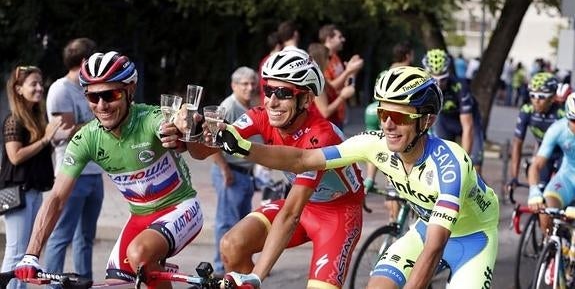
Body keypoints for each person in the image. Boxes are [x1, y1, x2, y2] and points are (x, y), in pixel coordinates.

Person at [217, 66, 499, 289]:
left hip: (473, 238)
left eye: (399, 116)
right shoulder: (373, 143)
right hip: (426, 228)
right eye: (383, 112)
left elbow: (435, 247)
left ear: (426, 121)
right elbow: (302, 159)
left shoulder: (450, 164)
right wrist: (244, 147)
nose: (387, 124)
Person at [13, 51, 212, 289]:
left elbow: (171, 123)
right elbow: (56, 198)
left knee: (139, 253)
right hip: (139, 218)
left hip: (181, 208)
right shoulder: (87, 138)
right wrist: (31, 255)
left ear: (130, 90)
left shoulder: (149, 119)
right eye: (93, 97)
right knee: (115, 285)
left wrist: (185, 126)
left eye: (111, 94)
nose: (102, 105)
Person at [171, 47, 364, 288]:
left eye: (283, 93)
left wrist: (257, 276)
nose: (272, 101)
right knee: (232, 245)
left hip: (337, 215)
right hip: (304, 208)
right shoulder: (260, 115)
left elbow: (291, 214)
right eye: (268, 90)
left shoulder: (321, 136)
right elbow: (202, 152)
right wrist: (191, 131)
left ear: (305, 99)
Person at [43, 38, 104, 281]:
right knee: (61, 235)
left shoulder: (87, 88)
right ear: (84, 62)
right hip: (72, 173)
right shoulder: (61, 89)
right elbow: (67, 131)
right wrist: (101, 120)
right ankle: (53, 284)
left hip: (94, 173)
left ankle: (83, 282)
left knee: (85, 237)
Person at [0, 66, 66, 289]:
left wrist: (57, 136)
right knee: (16, 251)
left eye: (40, 83)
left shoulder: (35, 119)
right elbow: (15, 156)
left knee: (28, 255)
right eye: (33, 84)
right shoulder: (13, 120)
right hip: (17, 193)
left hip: (35, 191)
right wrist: (46, 139)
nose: (39, 88)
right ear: (18, 89)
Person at [210, 66, 259, 276]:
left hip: (246, 174)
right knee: (227, 223)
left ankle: (239, 264)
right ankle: (222, 267)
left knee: (243, 224)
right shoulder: (228, 107)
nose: (249, 88)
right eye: (244, 84)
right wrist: (223, 169)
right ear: (234, 86)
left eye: (252, 84)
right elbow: (211, 142)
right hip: (230, 172)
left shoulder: (250, 106)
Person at [364, 41, 414, 220]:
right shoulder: (409, 73)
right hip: (401, 119)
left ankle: (393, 223)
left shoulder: (384, 73)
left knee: (378, 143)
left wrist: (370, 179)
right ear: (408, 56)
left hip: (376, 111)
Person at [422, 49, 485, 174]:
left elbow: (468, 127)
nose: (439, 84)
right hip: (445, 122)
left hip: (469, 123)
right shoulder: (423, 87)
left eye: (443, 79)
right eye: (434, 80)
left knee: (473, 167)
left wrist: (464, 164)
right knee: (441, 165)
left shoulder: (460, 87)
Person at [508, 72, 563, 192]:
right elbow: (517, 143)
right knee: (538, 193)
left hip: (564, 155)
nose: (536, 101)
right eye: (533, 95)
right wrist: (514, 177)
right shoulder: (527, 110)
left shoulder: (561, 113)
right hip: (544, 155)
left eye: (542, 97)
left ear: (553, 97)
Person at [528, 92, 575, 234]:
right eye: (573, 121)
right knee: (546, 211)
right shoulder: (557, 129)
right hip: (566, 178)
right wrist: (534, 191)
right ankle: (550, 249)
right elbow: (536, 165)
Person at [319, 24, 364, 129]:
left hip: (339, 113)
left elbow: (344, 84)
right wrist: (348, 71)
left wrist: (352, 73)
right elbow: (329, 87)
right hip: (329, 118)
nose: (343, 39)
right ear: (329, 39)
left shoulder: (335, 57)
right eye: (339, 37)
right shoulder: (322, 60)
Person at [307, 42, 355, 122]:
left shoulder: (321, 78)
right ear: (321, 59)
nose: (329, 61)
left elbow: (332, 91)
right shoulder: (315, 81)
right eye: (328, 58)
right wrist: (342, 97)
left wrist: (349, 75)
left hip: (332, 122)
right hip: (324, 126)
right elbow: (325, 112)